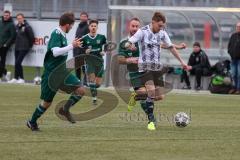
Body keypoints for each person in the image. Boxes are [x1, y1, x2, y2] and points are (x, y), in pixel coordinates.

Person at [124, 12, 190, 130]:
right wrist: (129, 45)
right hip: (145, 67)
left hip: (156, 69)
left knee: (160, 96)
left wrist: (182, 62)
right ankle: (151, 121)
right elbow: (129, 41)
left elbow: (170, 47)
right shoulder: (142, 32)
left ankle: (137, 96)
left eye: (162, 26)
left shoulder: (162, 33)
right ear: (153, 22)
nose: (161, 28)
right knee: (151, 92)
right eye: (159, 25)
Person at [27, 12, 84, 131]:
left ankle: (65, 109)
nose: (72, 28)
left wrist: (71, 46)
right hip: (51, 74)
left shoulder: (62, 35)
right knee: (46, 103)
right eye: (72, 25)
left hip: (62, 72)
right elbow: (55, 52)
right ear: (67, 25)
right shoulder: (56, 33)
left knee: (80, 90)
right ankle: (32, 121)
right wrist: (71, 46)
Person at [81, 19, 107, 105]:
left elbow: (106, 45)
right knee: (92, 80)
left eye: (95, 26)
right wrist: (85, 50)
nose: (93, 27)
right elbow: (80, 47)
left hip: (99, 61)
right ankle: (94, 99)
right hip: (89, 61)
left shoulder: (102, 37)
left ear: (97, 27)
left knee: (98, 84)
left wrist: (104, 51)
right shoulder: (85, 38)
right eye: (92, 26)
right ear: (89, 27)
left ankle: (92, 88)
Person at [8, 13, 34, 84]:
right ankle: (15, 78)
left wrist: (29, 46)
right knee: (16, 63)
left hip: (24, 47)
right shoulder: (17, 26)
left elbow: (31, 37)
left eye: (20, 18)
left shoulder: (27, 26)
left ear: (23, 18)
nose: (19, 20)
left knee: (18, 62)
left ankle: (22, 78)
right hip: (17, 47)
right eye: (18, 18)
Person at [73, 12, 89, 85]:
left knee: (84, 67)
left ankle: (85, 82)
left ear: (87, 18)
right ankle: (78, 81)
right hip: (77, 50)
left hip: (83, 50)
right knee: (77, 68)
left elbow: (87, 39)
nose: (83, 18)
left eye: (84, 16)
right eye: (82, 16)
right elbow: (77, 37)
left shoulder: (88, 27)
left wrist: (85, 49)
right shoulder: (78, 26)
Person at [0, 10, 16, 81]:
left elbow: (13, 36)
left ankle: (1, 75)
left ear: (9, 16)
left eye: (7, 15)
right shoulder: (0, 23)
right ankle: (5, 72)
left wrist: (6, 44)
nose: (5, 16)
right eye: (5, 15)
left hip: (4, 46)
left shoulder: (11, 24)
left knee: (2, 61)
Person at [227, 22, 240, 94]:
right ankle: (234, 88)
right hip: (233, 58)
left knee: (239, 74)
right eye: (237, 27)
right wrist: (230, 52)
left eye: (239, 27)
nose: (238, 28)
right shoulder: (233, 35)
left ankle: (238, 88)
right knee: (233, 74)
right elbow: (229, 46)